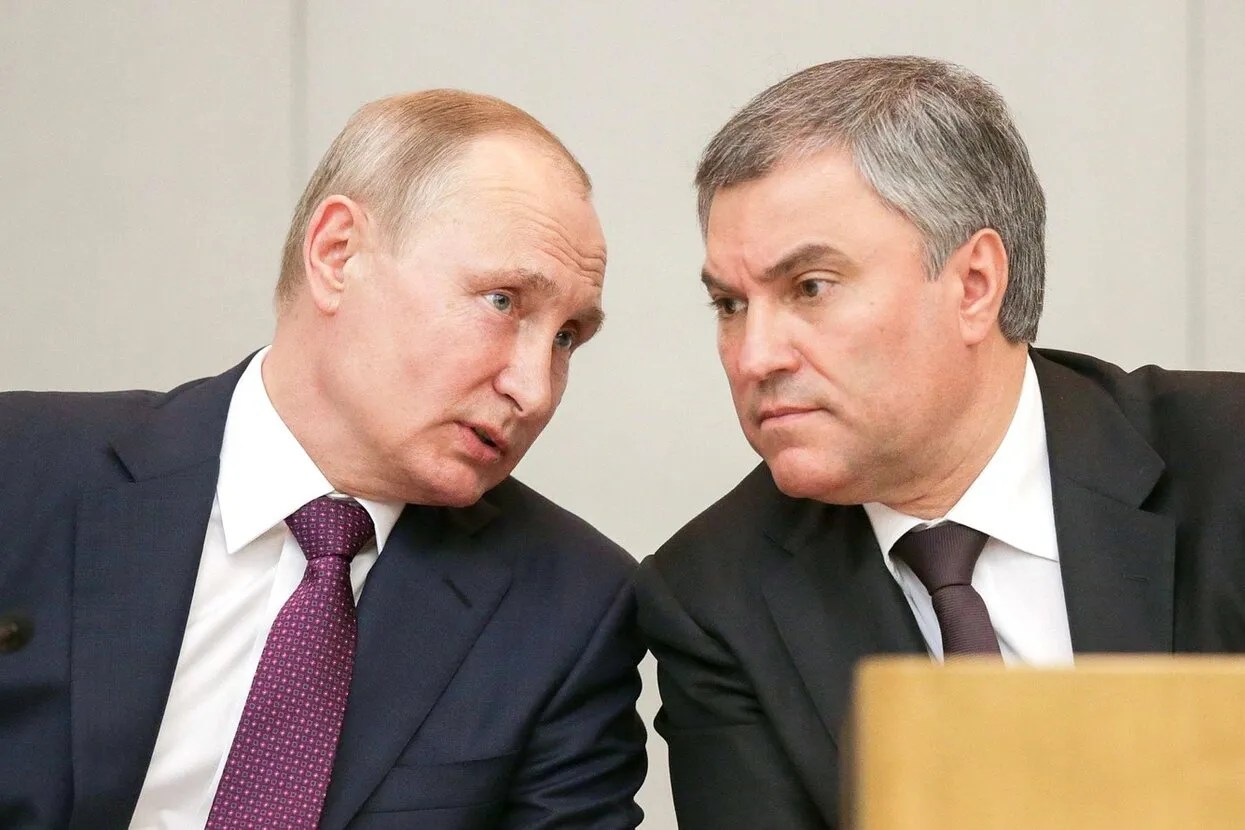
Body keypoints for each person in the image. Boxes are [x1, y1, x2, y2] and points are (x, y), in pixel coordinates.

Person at [0, 90, 645, 829]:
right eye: (502, 301)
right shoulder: (22, 472)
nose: (533, 390)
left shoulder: (568, 607)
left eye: (566, 338)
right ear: (338, 254)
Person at [636, 55, 1245, 829]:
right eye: (729, 305)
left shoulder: (1228, 463)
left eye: (809, 287)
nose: (754, 357)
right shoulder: (714, 594)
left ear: (973, 285)